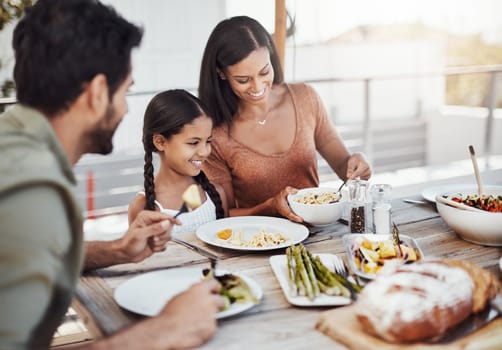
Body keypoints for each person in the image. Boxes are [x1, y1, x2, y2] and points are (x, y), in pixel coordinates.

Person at [0, 1, 224, 349]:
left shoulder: (15, 148)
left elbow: (30, 254)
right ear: (98, 93)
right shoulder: (32, 190)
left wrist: (119, 250)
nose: (125, 107)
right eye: (126, 91)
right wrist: (165, 331)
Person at [198, 16, 372, 222]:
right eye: (243, 80)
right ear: (221, 73)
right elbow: (223, 213)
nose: (258, 86)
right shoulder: (214, 134)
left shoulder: (305, 98)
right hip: (257, 242)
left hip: (317, 236)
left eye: (264, 72)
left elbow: (345, 168)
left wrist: (356, 166)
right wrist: (271, 207)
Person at [128, 89, 227, 232]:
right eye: (193, 143)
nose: (205, 151)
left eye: (208, 141)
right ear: (160, 142)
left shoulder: (216, 195)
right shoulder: (142, 207)